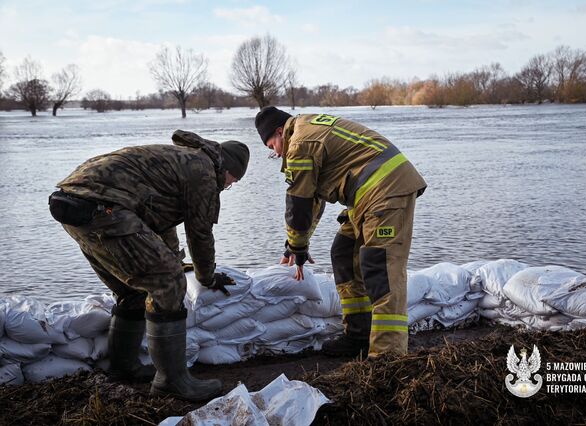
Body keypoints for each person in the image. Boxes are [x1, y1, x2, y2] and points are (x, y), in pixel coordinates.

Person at [48, 130, 249, 401]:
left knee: (133, 291)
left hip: (73, 205)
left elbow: (157, 221)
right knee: (168, 284)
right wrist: (207, 276)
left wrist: (174, 260)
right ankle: (172, 381)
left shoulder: (183, 160)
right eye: (232, 181)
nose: (228, 186)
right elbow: (200, 233)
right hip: (104, 209)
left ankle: (123, 367)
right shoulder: (203, 172)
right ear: (228, 168)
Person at [254, 107, 426, 359]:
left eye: (272, 146)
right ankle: (358, 335)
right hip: (367, 195)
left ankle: (388, 356)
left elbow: (298, 203)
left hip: (386, 191)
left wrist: (298, 247)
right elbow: (312, 201)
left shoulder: (300, 143)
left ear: (280, 132)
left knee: (381, 268)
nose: (275, 153)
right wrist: (294, 247)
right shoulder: (306, 129)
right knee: (343, 252)